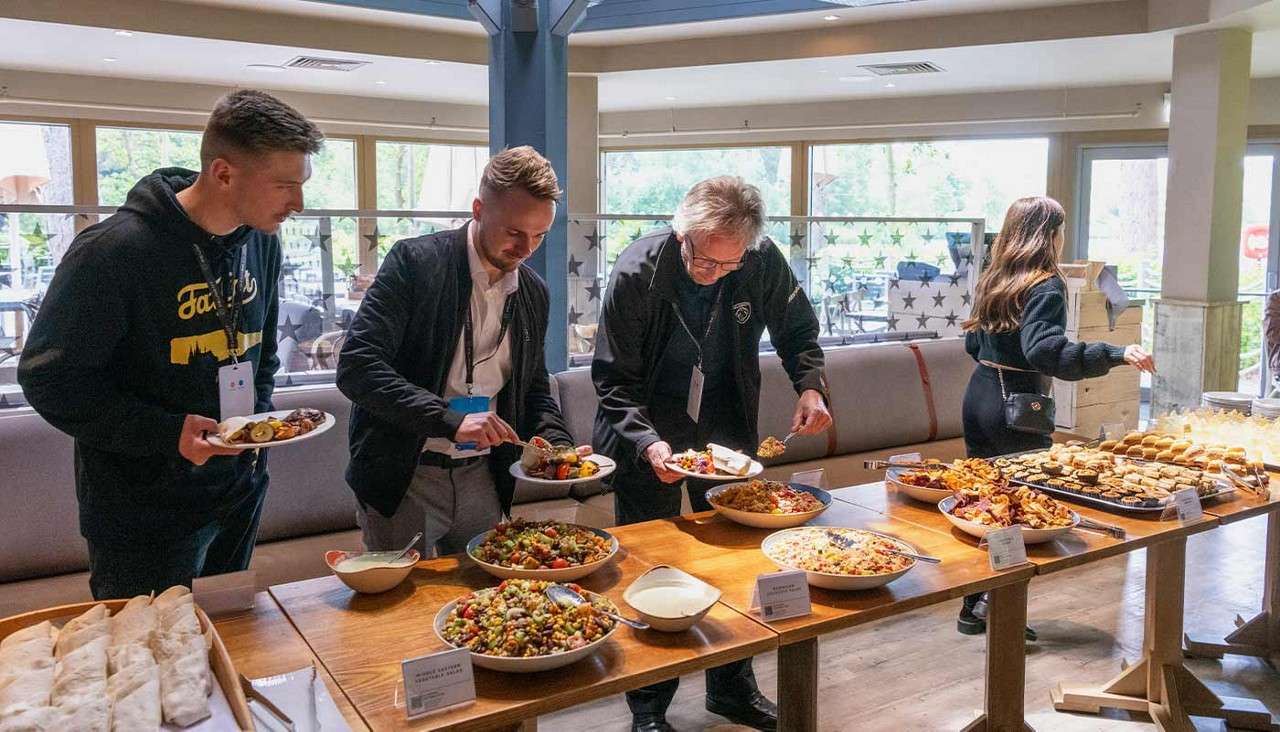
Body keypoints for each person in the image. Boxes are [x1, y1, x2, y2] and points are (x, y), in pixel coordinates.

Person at [18, 90, 322, 599]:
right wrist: (167, 434)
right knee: (151, 663)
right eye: (285, 186)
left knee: (225, 642)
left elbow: (260, 353)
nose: (298, 204)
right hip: (143, 511)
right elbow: (49, 379)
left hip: (238, 488)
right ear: (223, 173)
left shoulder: (262, 242)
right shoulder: (113, 252)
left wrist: (253, 431)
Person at [593, 176, 832, 732]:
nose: (712, 273)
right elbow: (611, 379)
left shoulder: (759, 259)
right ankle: (649, 707)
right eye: (703, 261)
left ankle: (731, 686)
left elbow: (798, 328)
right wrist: (648, 443)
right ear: (681, 235)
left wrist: (811, 385)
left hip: (724, 426)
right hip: (646, 429)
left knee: (733, 560)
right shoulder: (637, 272)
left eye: (728, 266)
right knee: (654, 570)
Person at [337, 146, 584, 558]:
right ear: (477, 209)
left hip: (482, 477)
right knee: (401, 612)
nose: (526, 249)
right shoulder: (415, 263)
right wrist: (451, 420)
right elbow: (357, 367)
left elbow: (534, 386)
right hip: (407, 473)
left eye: (540, 236)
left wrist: (558, 445)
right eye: (514, 232)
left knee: (481, 602)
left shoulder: (533, 292)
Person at [957, 195, 1155, 634]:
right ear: (1050, 234)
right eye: (1061, 230)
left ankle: (974, 606)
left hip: (981, 395)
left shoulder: (995, 277)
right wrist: (1116, 352)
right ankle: (1004, 612)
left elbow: (972, 345)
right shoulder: (1046, 284)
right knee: (1019, 506)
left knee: (983, 503)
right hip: (1019, 405)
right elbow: (1045, 351)